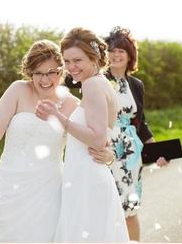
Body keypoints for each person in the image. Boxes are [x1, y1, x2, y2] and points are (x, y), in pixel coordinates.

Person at [0, 39, 114, 242]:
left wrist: (109, 155)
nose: (44, 79)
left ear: (62, 70)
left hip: (49, 189)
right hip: (9, 184)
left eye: (52, 72)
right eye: (38, 73)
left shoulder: (73, 105)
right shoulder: (17, 91)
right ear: (29, 72)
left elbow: (95, 135)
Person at [36, 27, 129, 242]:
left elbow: (97, 138)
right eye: (67, 62)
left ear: (94, 58)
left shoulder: (92, 85)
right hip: (86, 174)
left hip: (87, 178)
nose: (71, 67)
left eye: (77, 60)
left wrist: (57, 115)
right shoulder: (99, 83)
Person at [103, 26, 168, 241]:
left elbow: (141, 123)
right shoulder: (97, 80)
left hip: (130, 155)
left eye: (121, 50)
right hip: (102, 150)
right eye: (111, 50)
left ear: (130, 55)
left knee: (129, 206)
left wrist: (156, 148)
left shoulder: (136, 85)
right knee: (104, 206)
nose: (116, 54)